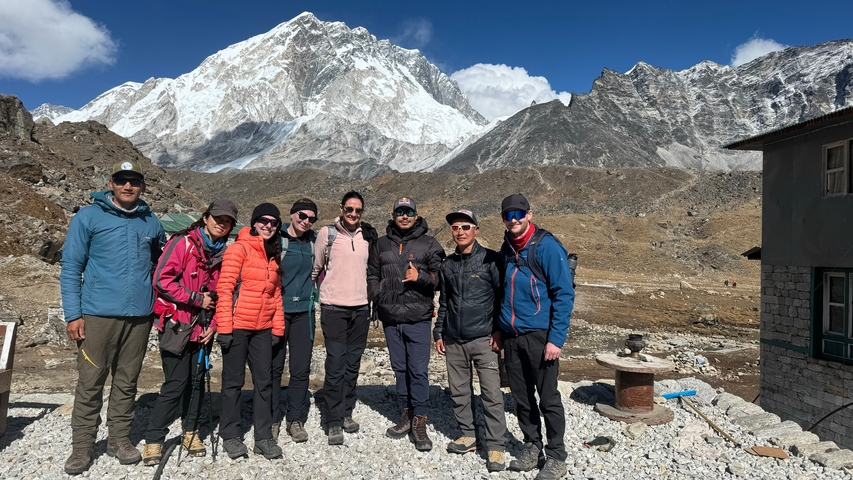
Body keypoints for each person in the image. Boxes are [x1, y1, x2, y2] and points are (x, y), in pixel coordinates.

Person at [60, 160, 166, 475]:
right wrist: (73, 314)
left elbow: (164, 265)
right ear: (111, 183)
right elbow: (71, 268)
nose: (128, 186)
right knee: (91, 381)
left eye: (134, 181)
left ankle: (119, 440)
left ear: (143, 186)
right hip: (97, 315)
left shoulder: (151, 222)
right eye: (122, 180)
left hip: (139, 317)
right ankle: (82, 447)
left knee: (126, 381)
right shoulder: (88, 217)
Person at [141, 200, 237, 465]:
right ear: (205, 218)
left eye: (227, 221)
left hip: (202, 330)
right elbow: (161, 280)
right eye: (217, 218)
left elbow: (222, 294)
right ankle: (154, 439)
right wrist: (196, 299)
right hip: (176, 326)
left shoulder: (221, 254)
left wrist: (214, 325)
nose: (221, 224)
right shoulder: (182, 243)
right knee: (175, 384)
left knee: (197, 384)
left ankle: (191, 431)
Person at [498, 194, 574, 480]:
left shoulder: (547, 247)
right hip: (512, 337)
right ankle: (532, 446)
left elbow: (564, 295)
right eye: (508, 215)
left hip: (541, 337)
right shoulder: (506, 249)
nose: (514, 219)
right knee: (521, 397)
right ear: (503, 219)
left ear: (529, 214)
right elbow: (501, 294)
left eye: (518, 214)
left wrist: (556, 339)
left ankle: (556, 455)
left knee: (549, 398)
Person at [368, 197, 444, 451]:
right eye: (400, 211)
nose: (404, 216)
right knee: (399, 368)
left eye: (408, 212)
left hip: (418, 317)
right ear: (393, 214)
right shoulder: (381, 244)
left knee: (418, 370)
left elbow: (439, 277)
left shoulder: (429, 243)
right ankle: (406, 414)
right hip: (390, 317)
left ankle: (420, 418)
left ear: (415, 214)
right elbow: (372, 273)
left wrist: (419, 276)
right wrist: (378, 294)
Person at [434, 209, 507, 472]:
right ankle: (468, 435)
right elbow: (444, 302)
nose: (460, 231)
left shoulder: (491, 260)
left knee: (491, 394)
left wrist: (499, 331)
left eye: (466, 226)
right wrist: (438, 332)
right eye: (455, 228)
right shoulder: (448, 265)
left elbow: (502, 299)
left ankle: (496, 446)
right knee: (459, 392)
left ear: (476, 229)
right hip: (454, 340)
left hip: (483, 340)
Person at [215, 203, 285, 460]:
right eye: (263, 220)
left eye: (273, 222)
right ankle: (231, 435)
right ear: (254, 222)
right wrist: (224, 327)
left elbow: (276, 294)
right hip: (237, 327)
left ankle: (263, 437)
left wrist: (277, 327)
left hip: (263, 329)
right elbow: (225, 289)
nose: (268, 225)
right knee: (233, 383)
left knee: (264, 383)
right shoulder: (238, 249)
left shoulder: (273, 254)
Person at [311, 191, 378, 445]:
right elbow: (316, 268)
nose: (353, 214)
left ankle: (347, 411)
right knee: (336, 364)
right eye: (349, 209)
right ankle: (334, 420)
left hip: (361, 309)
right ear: (341, 209)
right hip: (334, 310)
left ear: (362, 212)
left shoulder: (367, 237)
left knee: (352, 365)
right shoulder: (327, 235)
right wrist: (327, 293)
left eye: (358, 210)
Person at [271, 198, 319, 443]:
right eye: (302, 215)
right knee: (274, 367)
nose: (306, 221)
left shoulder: (314, 242)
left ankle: (295, 418)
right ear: (291, 214)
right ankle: (271, 417)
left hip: (304, 313)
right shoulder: (277, 240)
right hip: (278, 310)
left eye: (311, 218)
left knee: (300, 369)